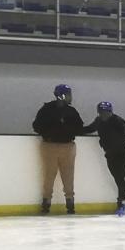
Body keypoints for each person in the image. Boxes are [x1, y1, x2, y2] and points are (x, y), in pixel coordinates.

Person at [31, 84, 84, 215]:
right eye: (69, 94)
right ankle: (46, 202)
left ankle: (70, 202)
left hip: (68, 146)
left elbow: (79, 127)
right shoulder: (46, 109)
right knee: (49, 175)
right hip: (50, 146)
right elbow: (36, 126)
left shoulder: (72, 111)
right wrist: (52, 130)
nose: (71, 97)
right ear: (62, 95)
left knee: (68, 176)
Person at [83, 101, 125, 215]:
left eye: (106, 112)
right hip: (110, 154)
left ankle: (123, 204)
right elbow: (90, 128)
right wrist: (74, 130)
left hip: (121, 154)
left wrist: (115, 147)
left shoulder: (119, 121)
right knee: (118, 179)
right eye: (101, 113)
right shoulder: (99, 121)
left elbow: (124, 139)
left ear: (111, 112)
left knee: (120, 177)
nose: (103, 115)